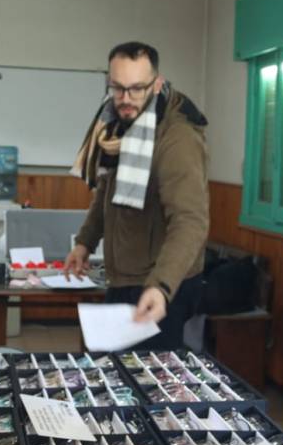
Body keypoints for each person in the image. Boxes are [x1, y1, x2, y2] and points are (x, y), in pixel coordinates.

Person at [65, 42, 209, 349]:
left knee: (151, 386)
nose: (125, 99)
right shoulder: (120, 125)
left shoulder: (177, 140)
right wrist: (84, 242)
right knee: (109, 374)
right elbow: (107, 188)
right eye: (117, 88)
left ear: (157, 84)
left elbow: (190, 221)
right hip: (126, 278)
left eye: (136, 89)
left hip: (164, 284)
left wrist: (161, 286)